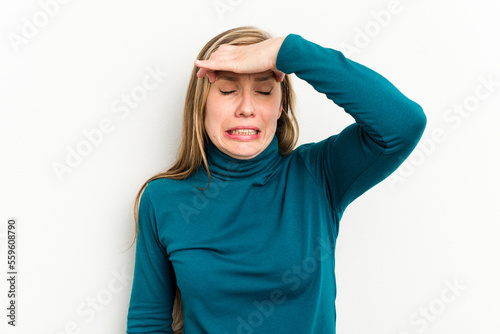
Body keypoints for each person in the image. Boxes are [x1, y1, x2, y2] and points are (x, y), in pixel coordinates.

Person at [126, 26, 426, 334]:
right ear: (201, 105)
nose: (246, 108)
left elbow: (403, 125)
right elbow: (147, 324)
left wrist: (287, 51)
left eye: (264, 91)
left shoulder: (318, 176)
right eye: (228, 91)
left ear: (280, 107)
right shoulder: (162, 199)